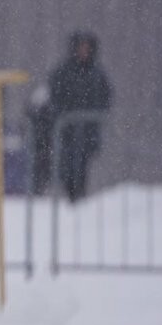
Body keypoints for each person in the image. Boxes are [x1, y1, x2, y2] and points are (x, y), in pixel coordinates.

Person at [47, 30, 112, 202]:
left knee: (83, 164)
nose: (84, 51)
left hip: (87, 131)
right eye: (81, 47)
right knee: (67, 165)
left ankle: (79, 197)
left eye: (87, 47)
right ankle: (71, 195)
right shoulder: (63, 72)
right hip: (67, 131)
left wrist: (92, 116)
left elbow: (105, 97)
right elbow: (55, 95)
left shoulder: (97, 74)